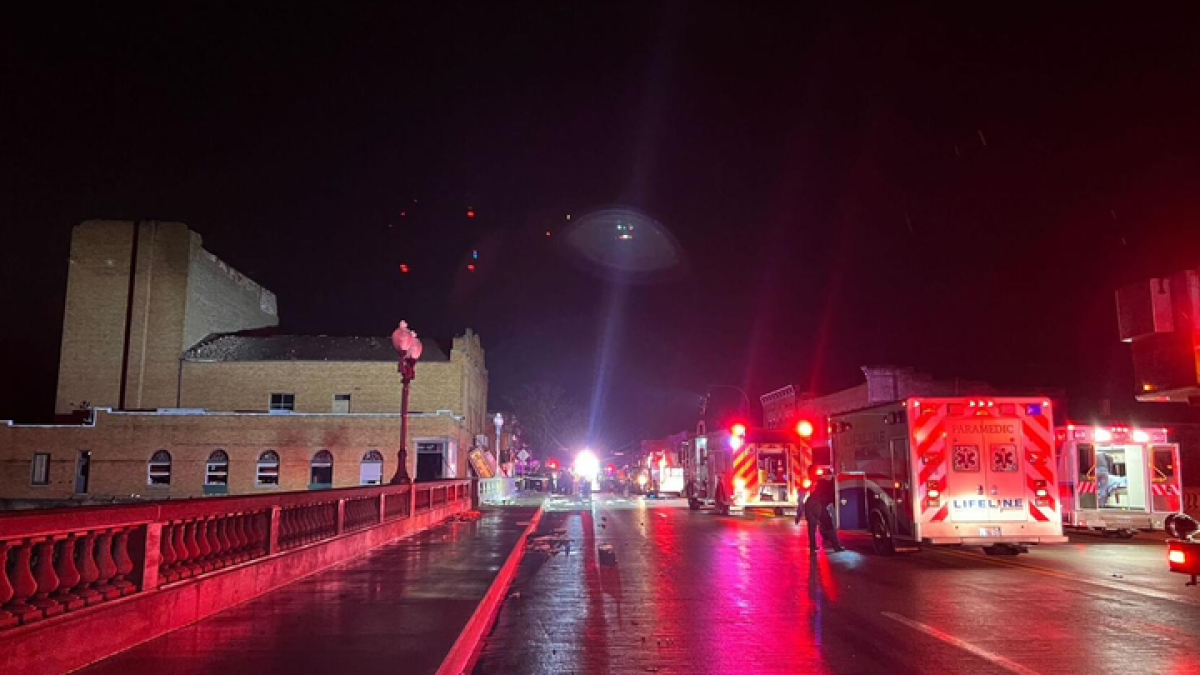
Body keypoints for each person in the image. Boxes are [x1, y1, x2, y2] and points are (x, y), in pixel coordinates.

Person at [797, 466, 844, 552]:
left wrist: (799, 512)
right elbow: (832, 498)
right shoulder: (831, 483)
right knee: (828, 524)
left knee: (812, 527)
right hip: (818, 505)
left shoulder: (819, 481)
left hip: (809, 504)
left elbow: (804, 492)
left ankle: (812, 547)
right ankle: (837, 547)